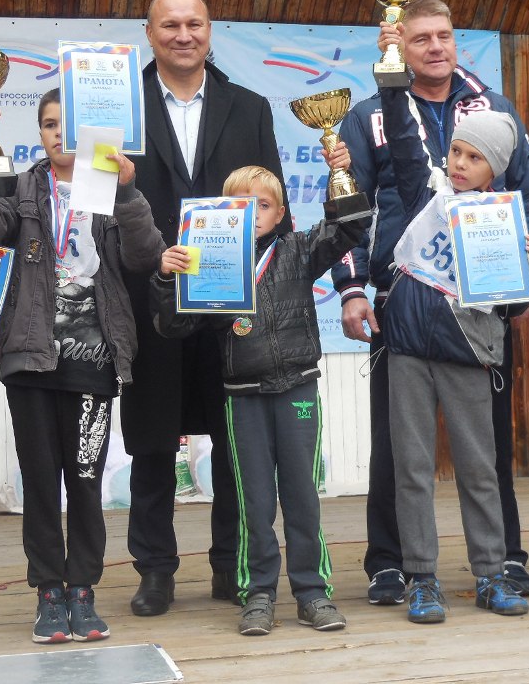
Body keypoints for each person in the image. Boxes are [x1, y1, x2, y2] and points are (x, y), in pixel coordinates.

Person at [334, 0, 529, 604]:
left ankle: (501, 563)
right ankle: (397, 566)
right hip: (402, 308)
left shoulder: (494, 109)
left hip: (478, 313)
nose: (436, 47)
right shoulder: (375, 118)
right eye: (421, 38)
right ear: (401, 46)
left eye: (445, 36)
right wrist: (352, 287)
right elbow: (351, 206)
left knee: (486, 450)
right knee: (400, 453)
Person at [0, 91, 165, 644]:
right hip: (31, 358)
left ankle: (83, 590)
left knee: (86, 481)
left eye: (66, 125)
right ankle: (49, 591)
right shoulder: (21, 187)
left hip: (95, 361)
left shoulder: (109, 187)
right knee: (42, 481)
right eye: (49, 125)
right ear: (40, 133)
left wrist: (128, 191)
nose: (57, 134)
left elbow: (145, 257)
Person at [120, 0, 291, 617]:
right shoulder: (118, 107)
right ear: (149, 33)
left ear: (210, 31)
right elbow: (92, 201)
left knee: (236, 441)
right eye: (170, 24)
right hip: (149, 296)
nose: (183, 34)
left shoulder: (250, 107)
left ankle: (231, 564)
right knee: (151, 440)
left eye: (194, 23)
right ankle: (154, 571)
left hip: (231, 303)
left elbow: (273, 205)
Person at [150, 161, 368, 635]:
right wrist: (167, 278)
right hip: (242, 395)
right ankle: (258, 594)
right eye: (242, 205)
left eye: (263, 205)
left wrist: (341, 176)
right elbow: (174, 326)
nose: (253, 213)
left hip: (297, 387)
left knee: (302, 496)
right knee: (254, 501)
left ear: (281, 214)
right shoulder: (208, 260)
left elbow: (352, 228)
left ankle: (312, 592)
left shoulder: (299, 250)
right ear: (224, 212)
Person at [376, 76, 529, 623]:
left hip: (469, 352)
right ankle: (422, 578)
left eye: (475, 157)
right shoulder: (425, 194)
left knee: (479, 468)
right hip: (408, 348)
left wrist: (528, 266)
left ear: (495, 167)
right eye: (456, 152)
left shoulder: (506, 221)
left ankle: (491, 575)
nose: (461, 164)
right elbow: (404, 142)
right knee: (412, 468)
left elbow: (514, 307)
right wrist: (392, 83)